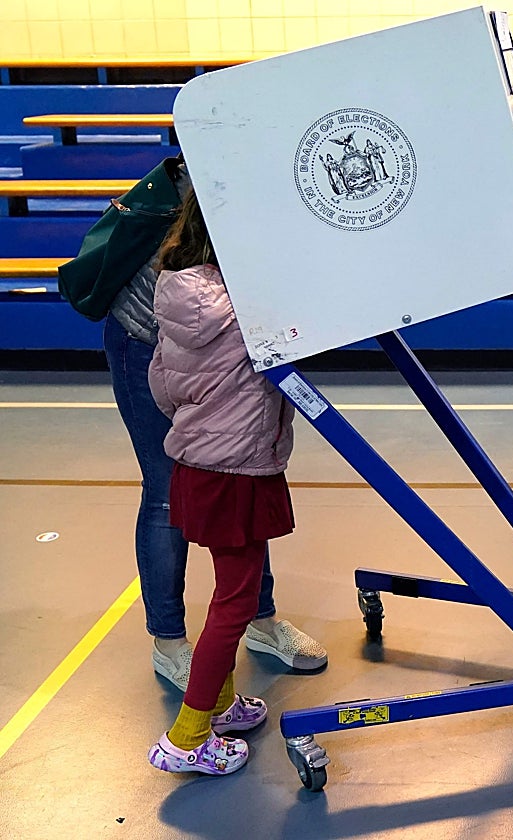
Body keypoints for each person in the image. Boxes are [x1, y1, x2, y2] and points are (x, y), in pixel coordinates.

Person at [102, 163, 326, 693]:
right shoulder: (216, 175)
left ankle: (259, 619)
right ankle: (170, 643)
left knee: (243, 462)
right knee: (164, 492)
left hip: (205, 341)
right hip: (150, 337)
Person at [145, 190, 299, 774]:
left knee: (224, 589)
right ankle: (187, 737)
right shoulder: (251, 305)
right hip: (238, 470)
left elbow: (162, 387)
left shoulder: (177, 294)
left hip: (196, 465)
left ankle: (223, 704)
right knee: (235, 601)